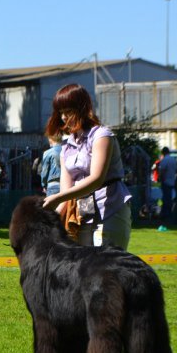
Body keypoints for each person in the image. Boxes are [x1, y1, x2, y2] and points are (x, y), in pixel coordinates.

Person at [41, 84, 132, 250]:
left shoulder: (101, 136)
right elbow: (66, 192)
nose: (63, 117)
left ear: (82, 108)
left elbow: (96, 179)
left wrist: (57, 198)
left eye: (68, 111)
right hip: (83, 211)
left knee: (109, 263)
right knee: (84, 264)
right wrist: (52, 221)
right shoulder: (66, 147)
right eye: (61, 112)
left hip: (111, 208)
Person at [157, 147, 177, 220]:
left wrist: (160, 178)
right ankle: (169, 212)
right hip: (172, 180)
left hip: (166, 181)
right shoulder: (173, 159)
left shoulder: (164, 160)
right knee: (169, 198)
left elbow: (162, 170)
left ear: (163, 153)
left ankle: (165, 214)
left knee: (165, 198)